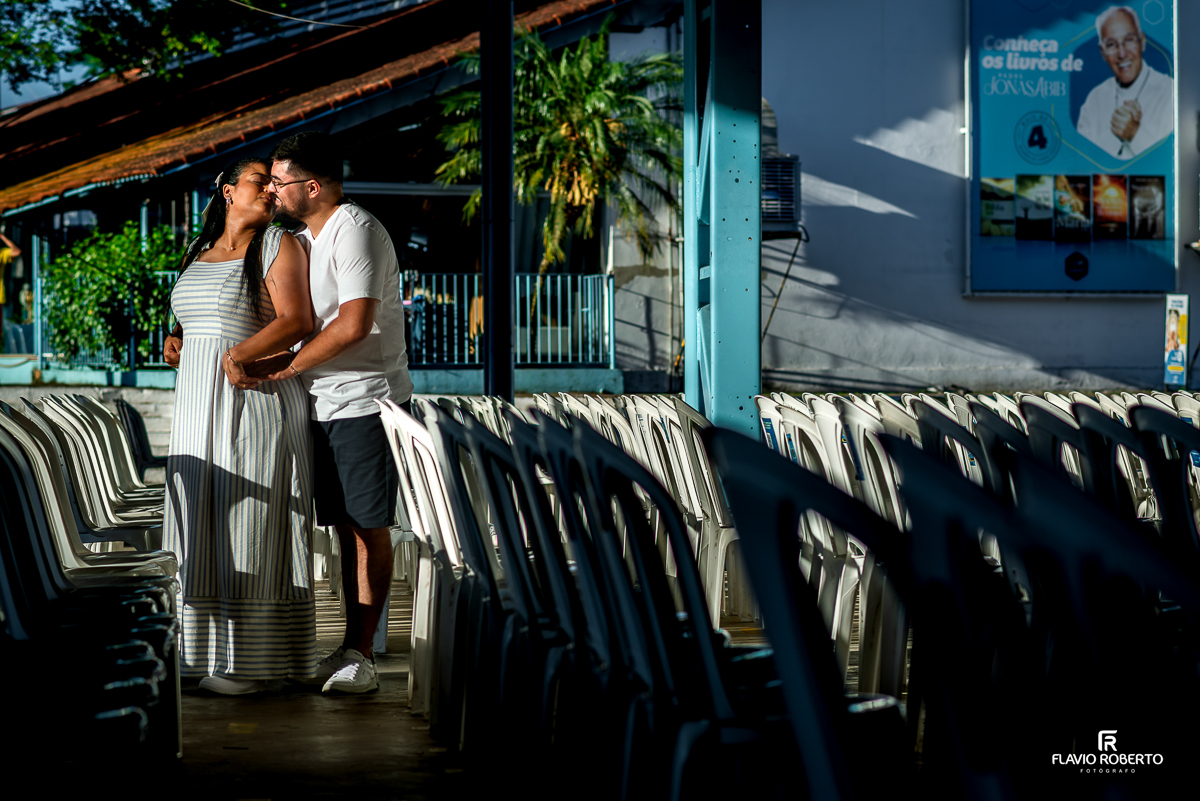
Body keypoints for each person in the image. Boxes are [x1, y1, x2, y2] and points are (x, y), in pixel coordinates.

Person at [260, 131, 414, 694]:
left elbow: (354, 325)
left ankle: (365, 656)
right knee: (343, 531)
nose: (273, 191)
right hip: (325, 404)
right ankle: (351, 645)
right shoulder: (304, 237)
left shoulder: (356, 229)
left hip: (365, 400)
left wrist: (286, 367)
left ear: (313, 185)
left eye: (280, 182)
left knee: (369, 530)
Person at [161, 158, 317, 695]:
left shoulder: (278, 244)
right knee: (199, 522)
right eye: (260, 181)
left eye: (277, 183)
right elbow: (196, 314)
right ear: (228, 191)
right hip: (196, 408)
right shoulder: (196, 251)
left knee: (250, 524)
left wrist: (238, 355)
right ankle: (198, 651)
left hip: (253, 403)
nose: (272, 190)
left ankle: (252, 661)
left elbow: (297, 322)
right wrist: (178, 338)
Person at [1075, 6, 1173, 160]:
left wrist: (1135, 133)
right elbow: (1080, 159)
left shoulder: (1170, 92)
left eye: (1128, 40)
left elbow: (1169, 162)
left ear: (1142, 42)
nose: (1122, 53)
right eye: (1112, 45)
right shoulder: (1094, 99)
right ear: (1103, 53)